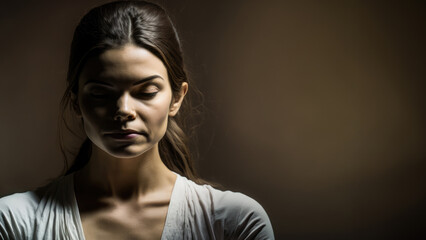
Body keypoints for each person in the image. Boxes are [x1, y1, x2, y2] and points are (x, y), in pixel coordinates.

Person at [0, 1, 274, 239]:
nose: (124, 109)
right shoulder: (13, 223)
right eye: (100, 93)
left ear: (177, 98)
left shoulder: (236, 225)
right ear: (76, 101)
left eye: (146, 91)